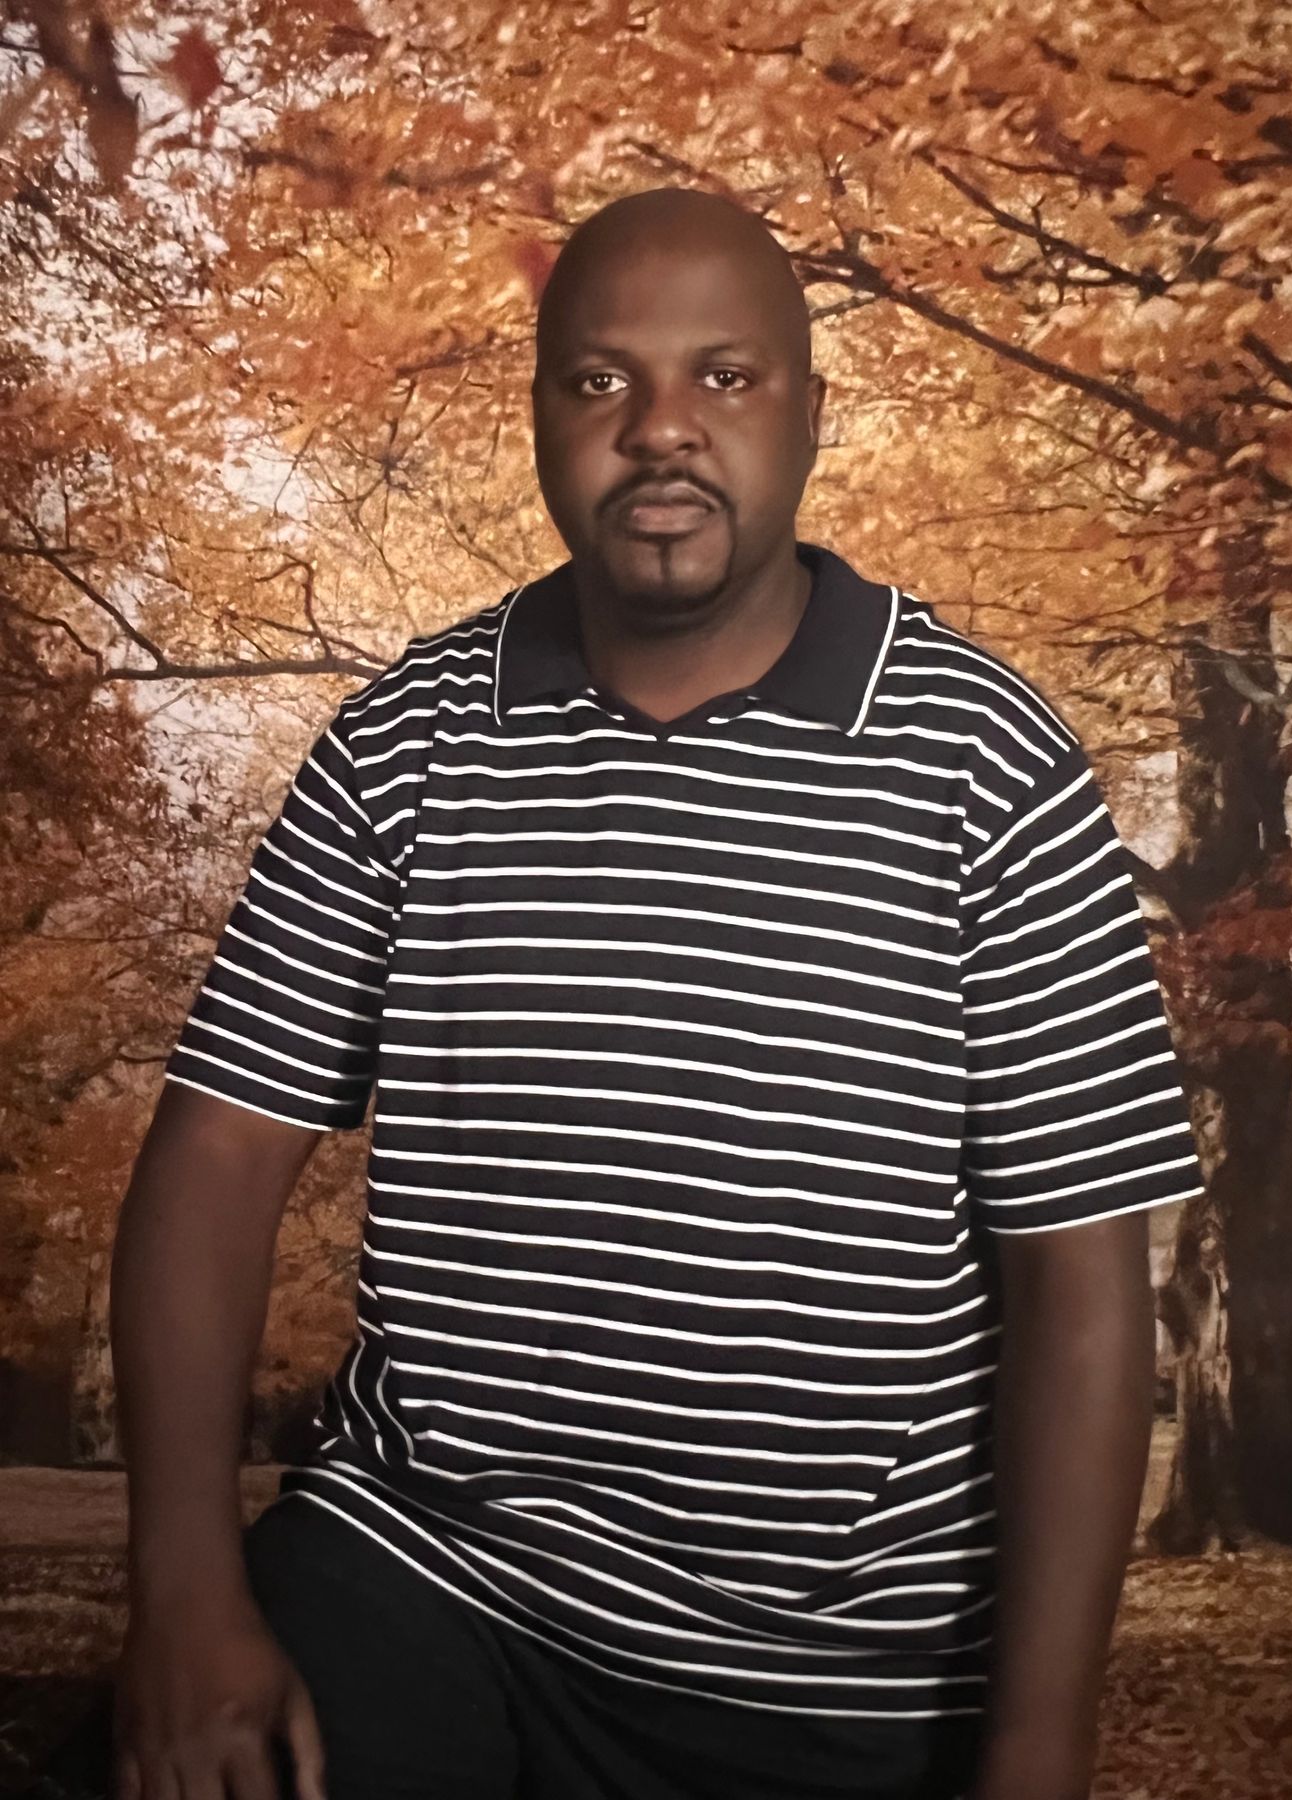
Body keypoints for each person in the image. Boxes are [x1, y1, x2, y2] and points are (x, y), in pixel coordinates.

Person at [58, 187, 1203, 1800]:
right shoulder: (407, 742)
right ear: (541, 415)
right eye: (601, 380)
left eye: (723, 376)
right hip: (435, 1567)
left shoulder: (983, 763)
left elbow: (1080, 1283)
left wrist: (1036, 1755)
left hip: (839, 1664)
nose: (660, 427)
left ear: (808, 412)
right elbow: (218, 1157)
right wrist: (183, 1592)